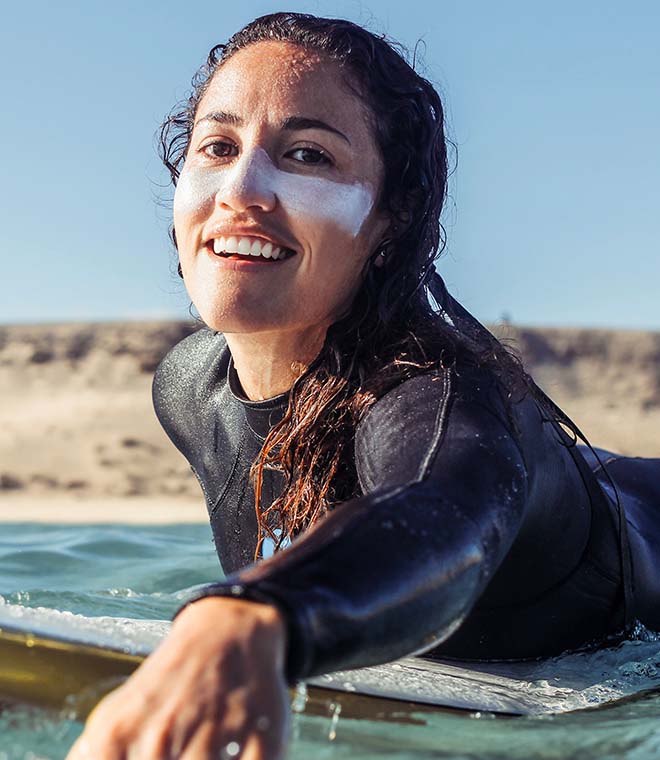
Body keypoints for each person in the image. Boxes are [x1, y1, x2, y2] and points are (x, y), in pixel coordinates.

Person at [67, 12, 660, 760]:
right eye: (217, 146)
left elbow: (442, 517)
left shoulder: (437, 400)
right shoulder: (189, 387)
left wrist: (257, 614)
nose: (242, 187)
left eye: (308, 155)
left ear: (389, 223)